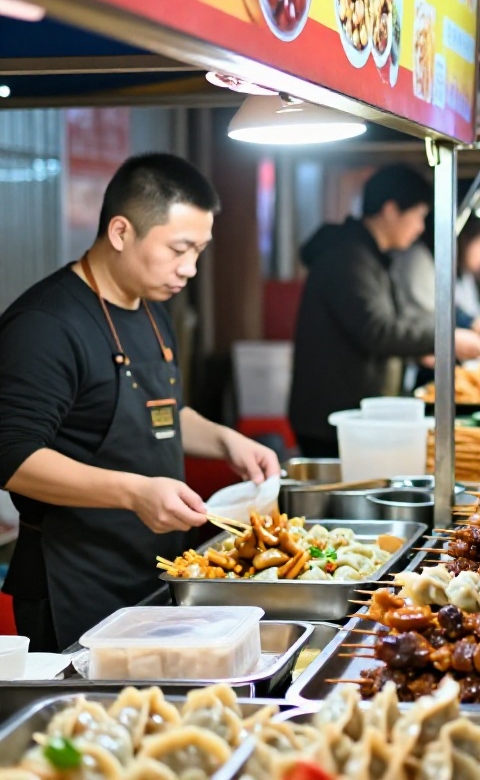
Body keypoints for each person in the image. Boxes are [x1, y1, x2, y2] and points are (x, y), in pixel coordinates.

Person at [0, 153, 281, 650]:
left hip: (151, 573)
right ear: (121, 232)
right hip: (73, 584)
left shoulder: (150, 309)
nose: (190, 269)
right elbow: (12, 456)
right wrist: (134, 492)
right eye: (179, 249)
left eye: (199, 250)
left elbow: (163, 410)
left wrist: (225, 440)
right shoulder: (47, 325)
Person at [289, 165, 480, 457]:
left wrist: (423, 347)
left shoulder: (369, 256)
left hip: (353, 414)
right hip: (333, 419)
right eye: (418, 215)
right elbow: (377, 330)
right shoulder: (348, 258)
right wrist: (446, 338)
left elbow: (383, 324)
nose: (421, 227)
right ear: (391, 209)